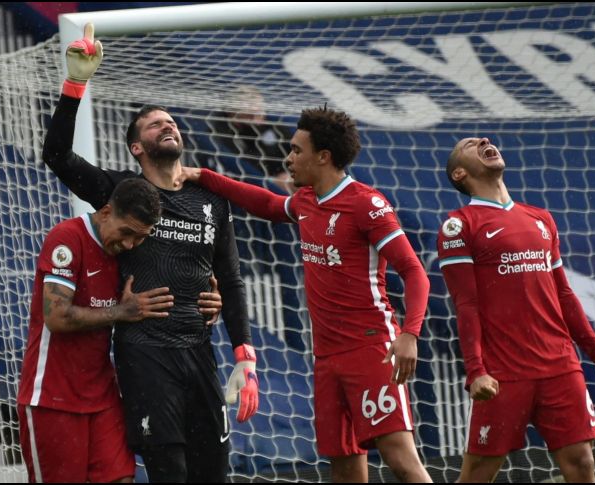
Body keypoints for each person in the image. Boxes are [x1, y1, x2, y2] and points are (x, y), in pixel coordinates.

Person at [41, 24, 258, 483]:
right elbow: (58, 154)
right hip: (146, 356)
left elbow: (231, 278)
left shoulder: (210, 200)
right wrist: (76, 84)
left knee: (214, 474)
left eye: (171, 120)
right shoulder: (120, 192)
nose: (168, 125)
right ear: (137, 147)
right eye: (155, 123)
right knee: (171, 473)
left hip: (201, 351)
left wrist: (244, 352)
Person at [180, 106, 432, 483]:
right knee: (344, 464)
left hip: (370, 347)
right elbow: (265, 202)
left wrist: (410, 333)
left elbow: (415, 272)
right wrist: (203, 175)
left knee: (400, 458)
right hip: (327, 357)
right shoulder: (305, 202)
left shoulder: (367, 203)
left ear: (324, 157)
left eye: (297, 150)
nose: (289, 158)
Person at [437, 136, 595, 483]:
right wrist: (476, 371)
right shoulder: (459, 225)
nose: (484, 140)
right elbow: (465, 304)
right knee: (479, 472)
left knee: (582, 462)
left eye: (483, 139)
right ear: (459, 173)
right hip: (502, 372)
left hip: (559, 364)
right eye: (470, 144)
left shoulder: (540, 218)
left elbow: (564, 295)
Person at [17, 178, 172, 482]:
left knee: (122, 478)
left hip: (102, 396)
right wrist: (121, 312)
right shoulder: (67, 238)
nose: (130, 244)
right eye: (126, 232)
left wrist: (210, 295)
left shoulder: (126, 253)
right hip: (51, 397)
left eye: (139, 238)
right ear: (105, 212)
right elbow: (56, 317)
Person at [201, 85, 294, 194]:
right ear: (233, 114)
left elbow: (293, 147)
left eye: (260, 112)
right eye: (251, 115)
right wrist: (272, 182)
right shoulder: (219, 136)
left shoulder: (271, 125)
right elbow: (237, 170)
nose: (259, 119)